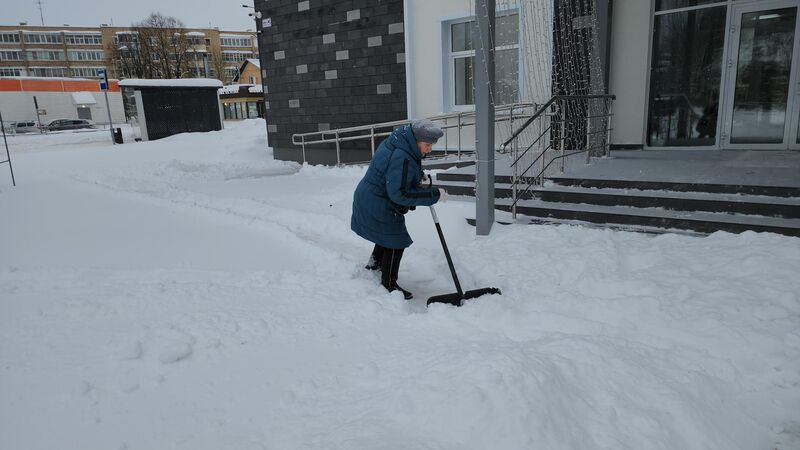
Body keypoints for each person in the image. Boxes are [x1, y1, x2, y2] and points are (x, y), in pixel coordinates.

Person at [351, 119, 445, 299]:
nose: (429, 149)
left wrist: (416, 175)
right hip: (378, 201)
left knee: (386, 235)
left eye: (431, 145)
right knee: (396, 240)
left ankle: (374, 265)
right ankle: (389, 284)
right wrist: (434, 195)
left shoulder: (399, 141)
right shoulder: (403, 156)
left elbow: (394, 172)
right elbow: (399, 193)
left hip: (370, 196)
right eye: (427, 145)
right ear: (416, 140)